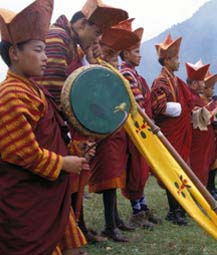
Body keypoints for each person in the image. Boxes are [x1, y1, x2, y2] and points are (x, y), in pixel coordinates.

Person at [37, 0, 129, 248]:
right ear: (80, 24)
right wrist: (72, 132)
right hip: (49, 127)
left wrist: (89, 58)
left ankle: (74, 230)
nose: (97, 40)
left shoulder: (71, 42)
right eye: (96, 33)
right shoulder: (58, 37)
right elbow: (55, 93)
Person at [0, 1, 87, 254]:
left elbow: (54, 136)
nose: (46, 57)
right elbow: (22, 152)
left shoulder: (35, 90)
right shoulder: (10, 95)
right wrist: (63, 163)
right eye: (38, 50)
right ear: (14, 53)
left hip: (49, 194)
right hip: (27, 200)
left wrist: (75, 150)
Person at [86, 23, 140, 243]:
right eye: (111, 56)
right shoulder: (96, 73)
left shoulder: (114, 75)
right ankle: (109, 224)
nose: (115, 62)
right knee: (109, 178)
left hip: (117, 132)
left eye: (117, 58)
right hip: (104, 132)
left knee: (116, 176)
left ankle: (115, 219)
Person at [118, 19, 161, 228]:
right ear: (125, 54)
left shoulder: (135, 73)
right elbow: (137, 105)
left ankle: (142, 207)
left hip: (142, 129)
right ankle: (137, 211)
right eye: (135, 51)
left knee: (140, 169)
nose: (139, 55)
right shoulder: (126, 72)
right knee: (135, 169)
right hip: (135, 130)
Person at [151, 33, 192, 226]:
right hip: (169, 133)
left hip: (178, 132)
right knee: (172, 169)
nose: (178, 61)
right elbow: (157, 107)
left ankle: (180, 207)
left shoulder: (175, 81)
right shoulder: (160, 81)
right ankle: (173, 209)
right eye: (175, 58)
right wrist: (177, 108)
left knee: (180, 168)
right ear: (166, 60)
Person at [186, 60, 217, 187]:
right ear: (195, 83)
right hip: (197, 143)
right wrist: (216, 110)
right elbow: (203, 119)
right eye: (202, 80)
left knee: (203, 170)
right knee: (197, 171)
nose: (204, 83)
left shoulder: (196, 97)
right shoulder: (192, 98)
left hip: (203, 143)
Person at [203, 72, 217, 200]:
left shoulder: (210, 102)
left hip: (214, 136)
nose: (212, 91)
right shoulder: (202, 102)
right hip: (205, 137)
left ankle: (212, 187)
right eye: (211, 88)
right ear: (205, 88)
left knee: (214, 163)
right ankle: (208, 189)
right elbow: (206, 118)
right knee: (208, 163)